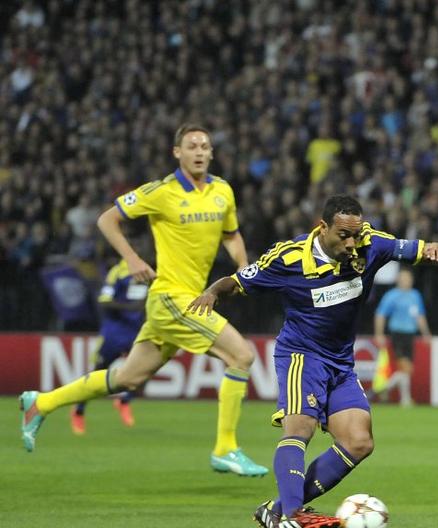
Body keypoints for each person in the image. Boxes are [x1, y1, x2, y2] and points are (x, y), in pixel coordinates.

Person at [187, 195, 438, 528]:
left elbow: (413, 249)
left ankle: (278, 510)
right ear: (323, 228)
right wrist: (212, 292)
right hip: (301, 355)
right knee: (300, 427)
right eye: (343, 235)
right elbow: (237, 281)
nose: (352, 243)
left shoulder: (371, 243)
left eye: (355, 234)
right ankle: (293, 515)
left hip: (340, 361)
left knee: (359, 441)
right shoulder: (289, 258)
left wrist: (433, 247)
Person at [19, 123, 268, 477]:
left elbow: (232, 234)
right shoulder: (161, 192)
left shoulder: (222, 191)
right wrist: (133, 260)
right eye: (191, 146)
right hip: (172, 297)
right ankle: (226, 448)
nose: (199, 151)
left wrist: (243, 269)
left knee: (127, 379)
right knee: (241, 355)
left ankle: (41, 403)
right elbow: (107, 220)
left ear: (212, 153)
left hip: (183, 299)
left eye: (204, 146)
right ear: (177, 153)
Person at [70, 253, 149, 434]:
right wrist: (130, 307)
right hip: (114, 333)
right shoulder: (118, 272)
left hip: (135, 332)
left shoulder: (147, 271)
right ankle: (78, 410)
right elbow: (104, 301)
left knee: (145, 370)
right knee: (98, 373)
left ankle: (124, 401)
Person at [373, 267, 431, 406]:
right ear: (398, 279)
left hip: (410, 335)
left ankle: (385, 388)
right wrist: (379, 334)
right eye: (403, 278)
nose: (406, 281)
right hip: (397, 334)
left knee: (408, 369)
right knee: (405, 367)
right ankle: (405, 399)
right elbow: (380, 314)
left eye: (408, 278)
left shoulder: (415, 295)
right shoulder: (392, 295)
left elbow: (420, 316)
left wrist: (426, 334)